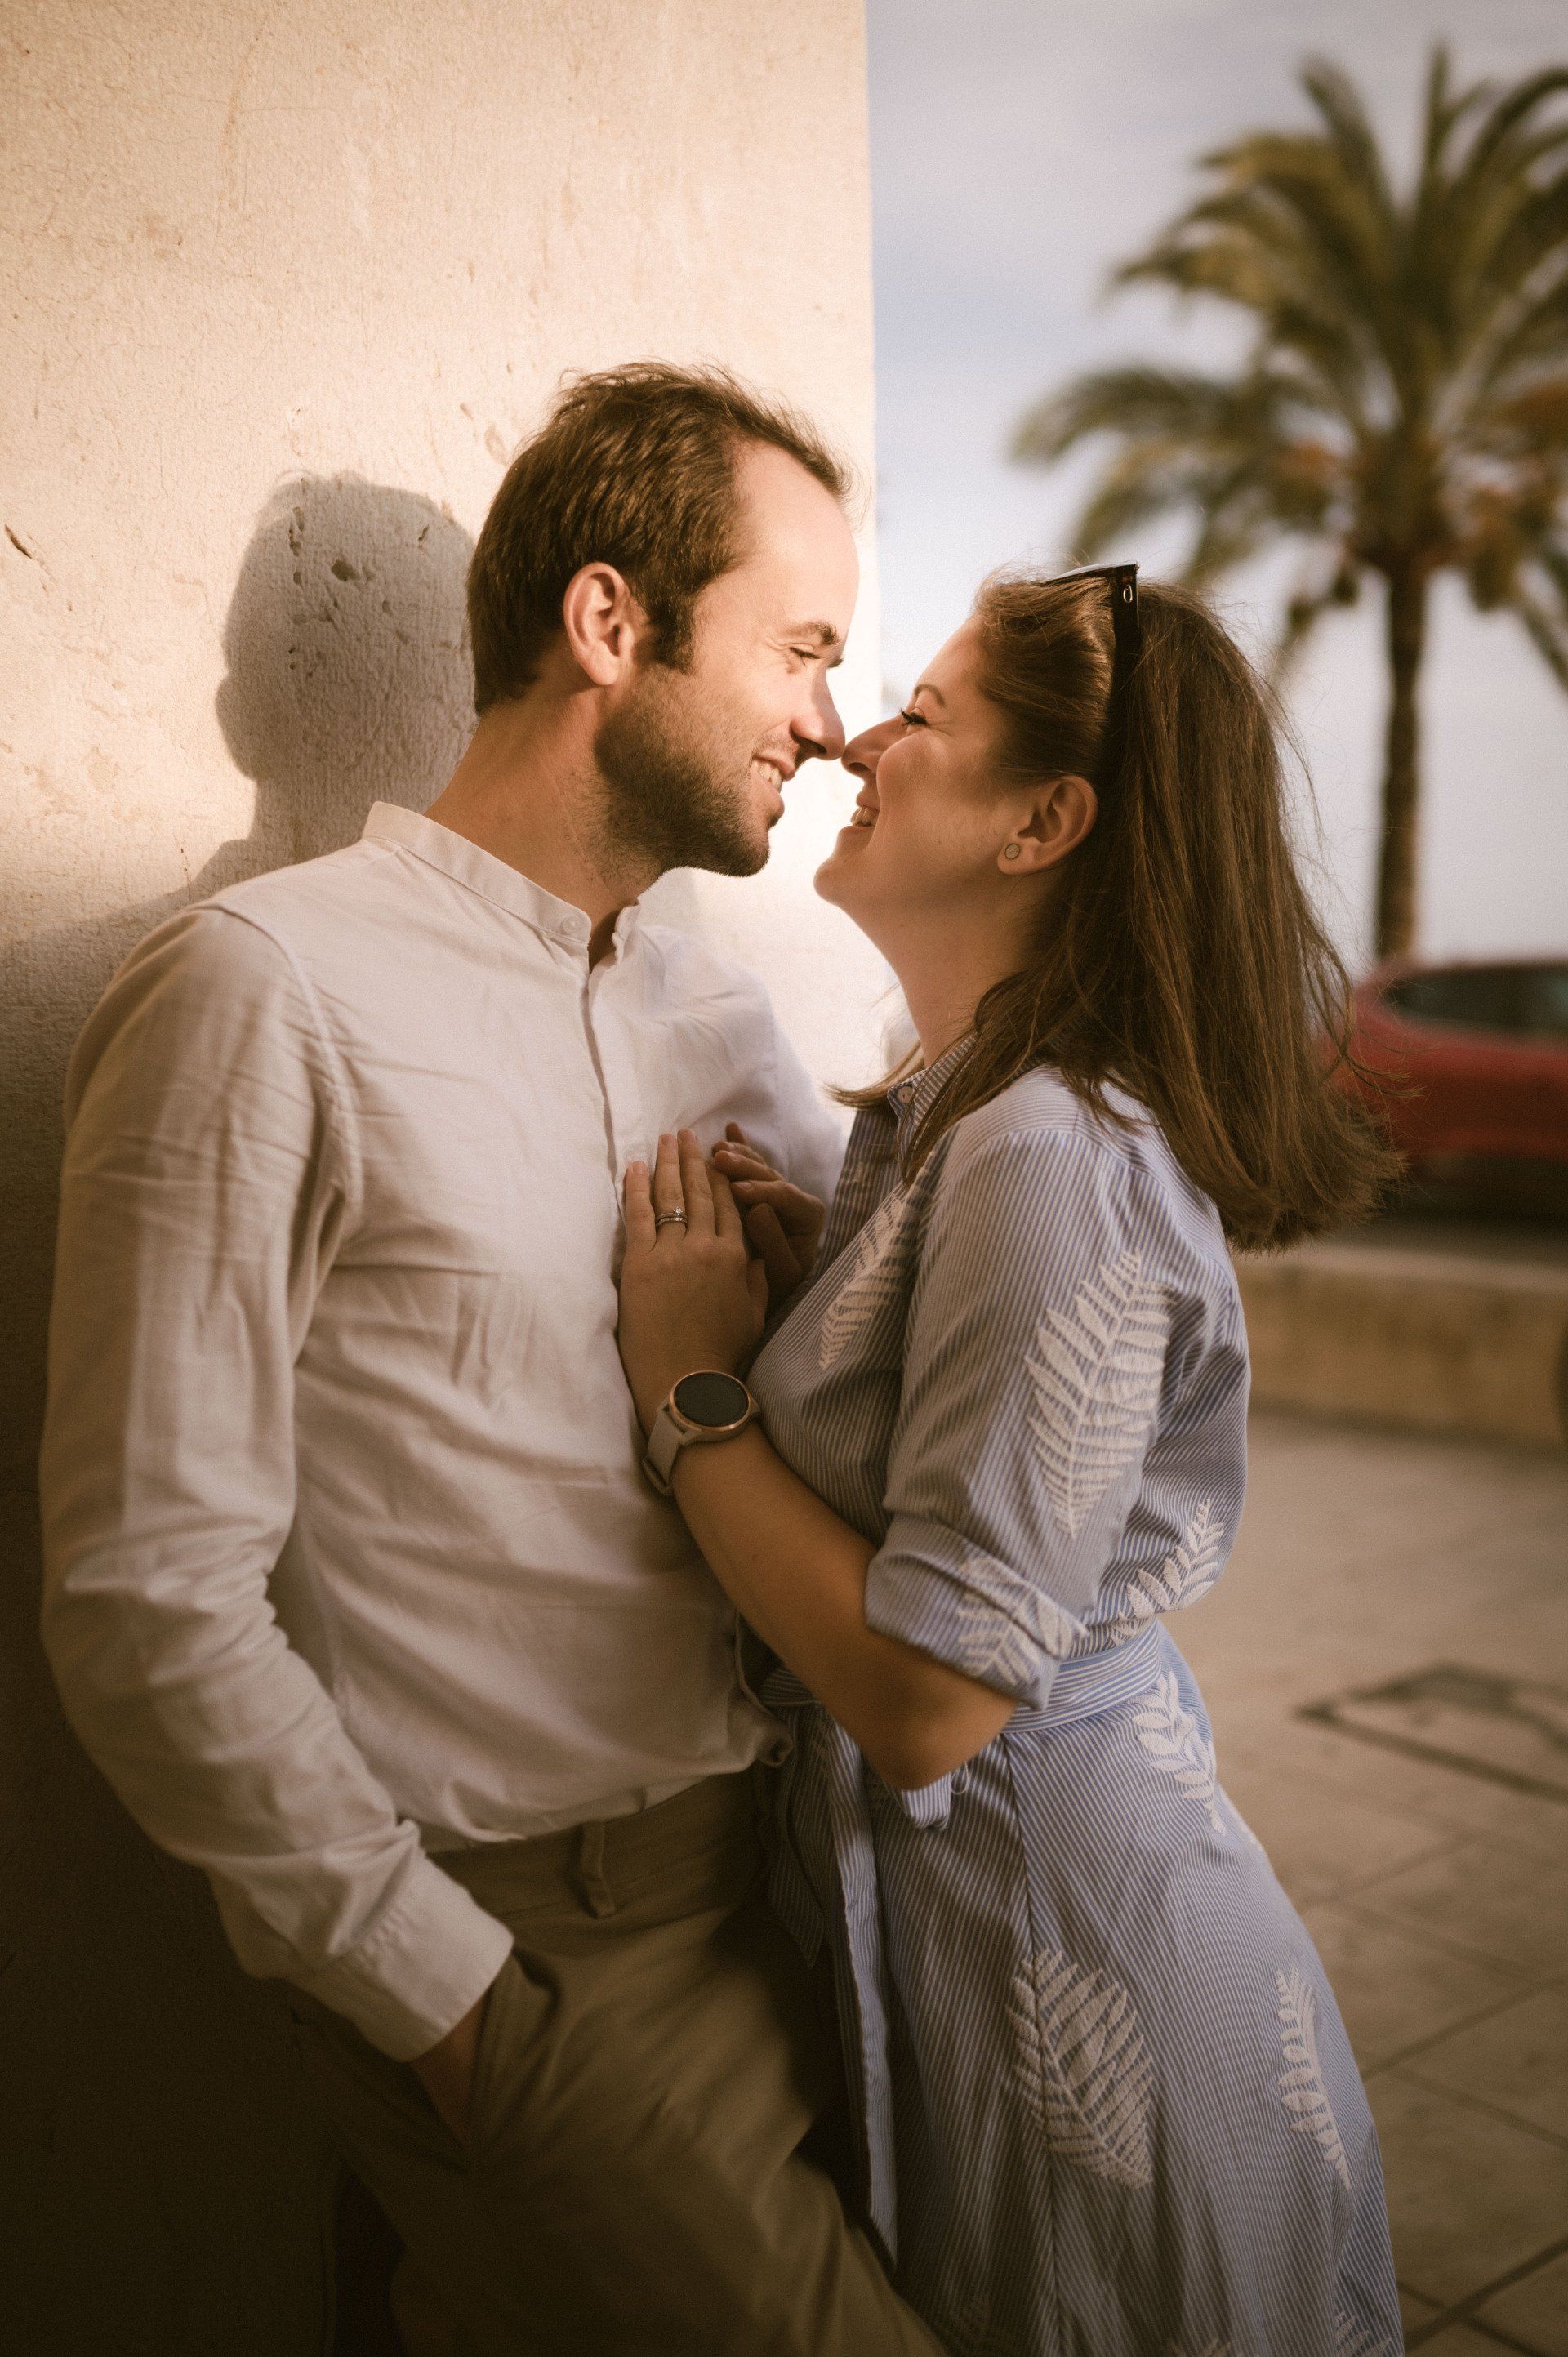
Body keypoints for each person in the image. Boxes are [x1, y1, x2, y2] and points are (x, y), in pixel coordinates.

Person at [39, 364, 944, 2356]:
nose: (830, 716)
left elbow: (908, 1421)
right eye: (800, 648)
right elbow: (142, 1595)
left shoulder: (724, 1011)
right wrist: (449, 2010)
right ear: (610, 624)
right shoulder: (260, 993)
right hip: (537, 1953)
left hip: (801, 1891)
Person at [614, 566, 1405, 2356]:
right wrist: (833, 1285)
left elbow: (933, 1702)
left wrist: (694, 1395)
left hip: (1089, 1990)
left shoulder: (1051, 1154)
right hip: (1010, 1956)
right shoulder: (965, 1116)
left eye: (928, 714)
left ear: (1045, 820)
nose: (859, 742)